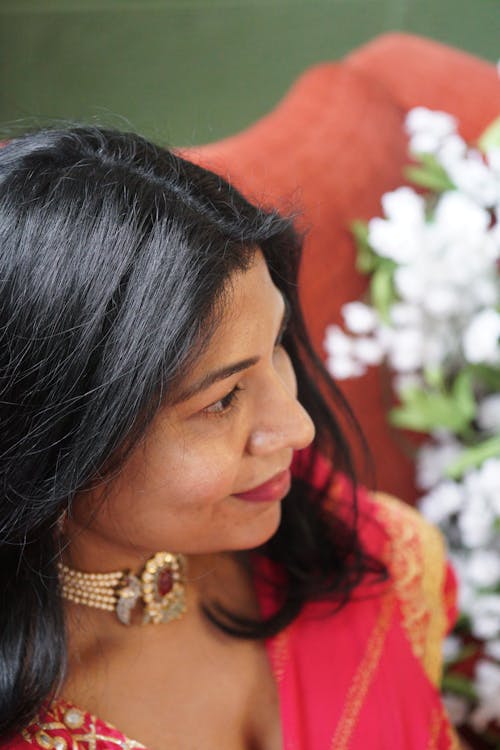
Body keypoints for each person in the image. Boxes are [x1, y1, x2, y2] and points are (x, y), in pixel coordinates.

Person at [0, 127, 458, 750]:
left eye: (276, 348)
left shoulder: (339, 540)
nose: (298, 428)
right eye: (221, 400)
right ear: (61, 440)